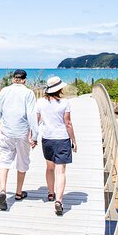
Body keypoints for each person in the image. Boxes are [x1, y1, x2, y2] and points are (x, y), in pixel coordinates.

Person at [0, 69, 38, 211]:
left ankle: (3, 191)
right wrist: (35, 136)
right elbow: (31, 115)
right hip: (22, 132)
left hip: (6, 132)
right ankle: (18, 193)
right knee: (22, 161)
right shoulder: (28, 93)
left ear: (13, 79)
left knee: (4, 161)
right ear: (24, 80)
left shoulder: (5, 91)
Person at [36, 76, 77, 216]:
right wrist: (74, 140)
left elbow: (36, 121)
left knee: (49, 167)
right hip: (62, 139)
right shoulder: (65, 102)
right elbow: (68, 123)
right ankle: (58, 201)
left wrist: (33, 137)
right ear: (59, 89)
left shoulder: (40, 102)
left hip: (47, 138)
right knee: (61, 171)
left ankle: (50, 193)